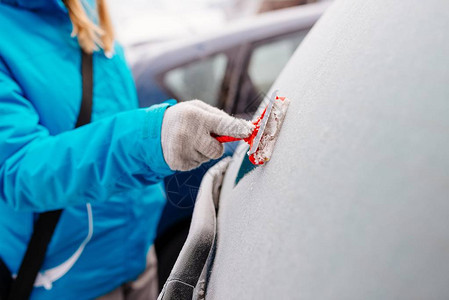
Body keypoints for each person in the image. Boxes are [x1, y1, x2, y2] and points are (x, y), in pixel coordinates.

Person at [0, 0, 253, 299]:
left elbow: (109, 114)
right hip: (69, 280)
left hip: (137, 252)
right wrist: (153, 137)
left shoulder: (86, 7)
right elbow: (19, 169)